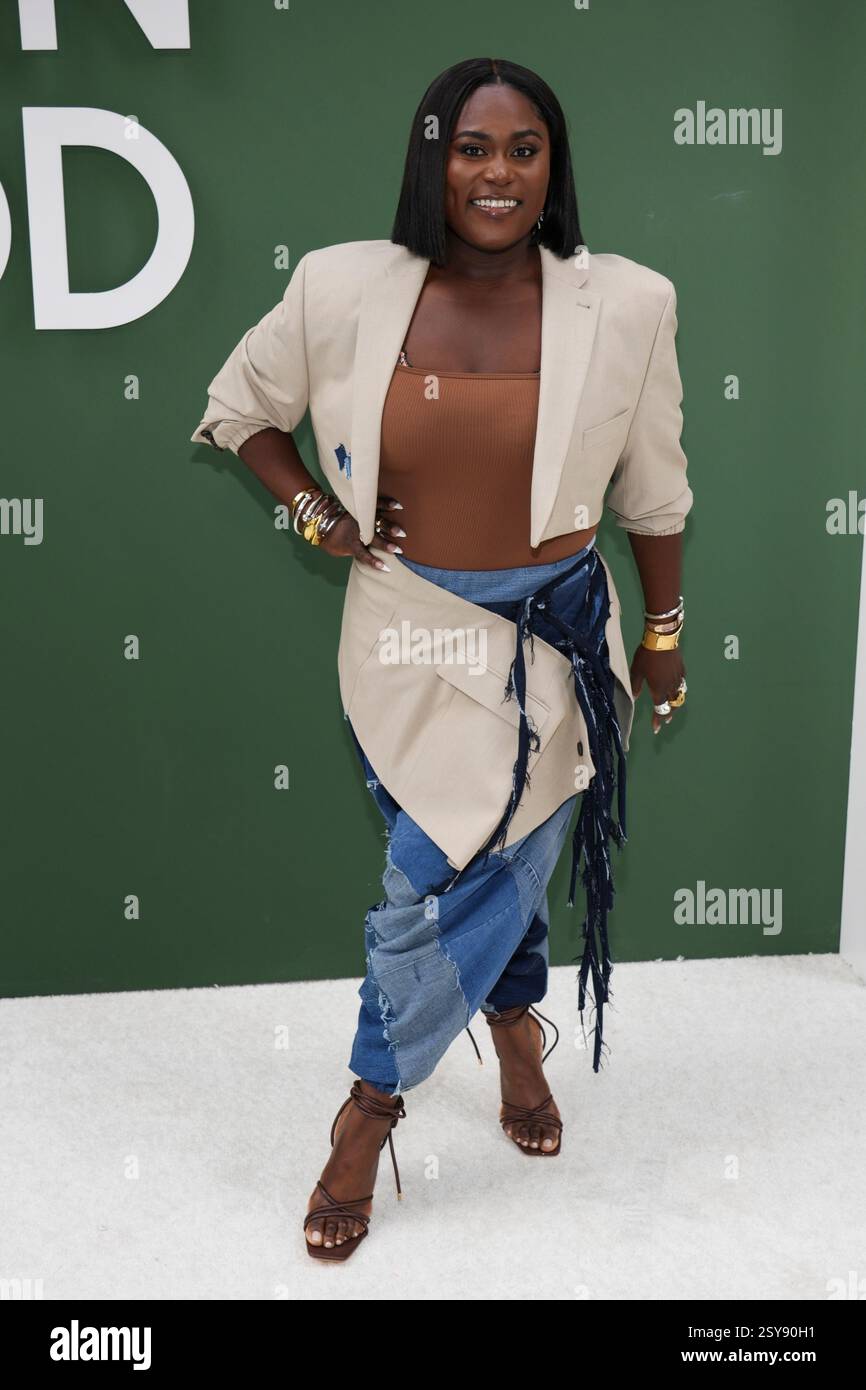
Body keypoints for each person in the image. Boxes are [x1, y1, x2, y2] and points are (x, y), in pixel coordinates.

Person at [190, 56, 693, 1263]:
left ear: (552, 165)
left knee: (424, 893)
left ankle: (366, 1112)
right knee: (468, 864)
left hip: (554, 643)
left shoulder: (625, 302)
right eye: (472, 147)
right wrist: (316, 513)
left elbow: (655, 493)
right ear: (431, 157)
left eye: (524, 149)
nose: (498, 173)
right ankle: (514, 1027)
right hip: (401, 638)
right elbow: (239, 407)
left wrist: (663, 639)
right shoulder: (339, 287)